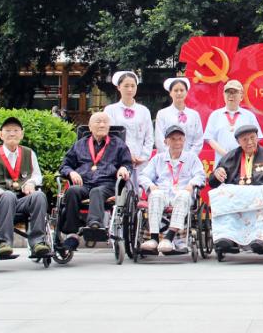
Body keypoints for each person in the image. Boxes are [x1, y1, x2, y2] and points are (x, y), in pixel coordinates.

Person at [208, 124, 263, 254]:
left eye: (252, 138)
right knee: (221, 195)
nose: (249, 142)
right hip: (237, 195)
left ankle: (261, 238)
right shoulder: (230, 157)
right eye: (245, 139)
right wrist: (217, 173)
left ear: (257, 138)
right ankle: (227, 237)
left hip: (260, 193)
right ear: (238, 142)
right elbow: (213, 181)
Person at [0, 116, 51, 259]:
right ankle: (3, 243)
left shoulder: (29, 153)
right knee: (8, 196)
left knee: (39, 196)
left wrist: (31, 183)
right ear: (1, 134)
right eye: (8, 130)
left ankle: (38, 242)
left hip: (21, 199)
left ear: (22, 134)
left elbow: (37, 176)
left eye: (16, 130)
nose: (12, 134)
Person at [57, 111, 133, 251]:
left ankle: (94, 225)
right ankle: (72, 234)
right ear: (90, 127)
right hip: (84, 184)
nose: (102, 125)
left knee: (97, 191)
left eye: (105, 122)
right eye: (98, 122)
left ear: (109, 126)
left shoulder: (118, 145)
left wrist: (124, 168)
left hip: (107, 184)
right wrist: (71, 172)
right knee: (72, 191)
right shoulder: (80, 145)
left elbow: (127, 164)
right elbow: (64, 165)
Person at [137, 124, 206, 254]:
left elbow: (200, 175)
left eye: (180, 139)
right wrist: (150, 185)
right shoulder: (158, 159)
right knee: (155, 194)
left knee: (184, 195)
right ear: (166, 142)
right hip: (163, 193)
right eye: (173, 139)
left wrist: (192, 184)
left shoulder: (191, 158)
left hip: (182, 193)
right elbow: (143, 176)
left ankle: (169, 238)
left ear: (184, 140)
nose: (177, 142)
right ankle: (154, 239)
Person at [104, 70, 154, 169]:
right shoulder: (110, 110)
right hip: (118, 160)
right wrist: (126, 155)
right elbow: (110, 136)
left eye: (133, 86)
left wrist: (143, 156)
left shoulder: (144, 110)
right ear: (118, 87)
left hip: (140, 162)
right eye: (126, 86)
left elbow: (149, 137)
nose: (130, 89)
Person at [203, 79, 261, 159]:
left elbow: (256, 138)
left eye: (235, 92)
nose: (231, 95)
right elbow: (209, 138)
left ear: (241, 96)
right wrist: (226, 155)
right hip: (222, 160)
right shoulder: (215, 115)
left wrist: (242, 153)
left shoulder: (249, 116)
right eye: (228, 92)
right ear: (223, 95)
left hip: (244, 159)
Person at [154, 77, 205, 157]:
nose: (179, 93)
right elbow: (159, 139)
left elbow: (198, 140)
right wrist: (172, 156)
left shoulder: (194, 115)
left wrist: (188, 157)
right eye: (176, 90)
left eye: (182, 90)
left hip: (189, 160)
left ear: (186, 92)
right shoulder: (162, 114)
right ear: (170, 93)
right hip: (167, 159)